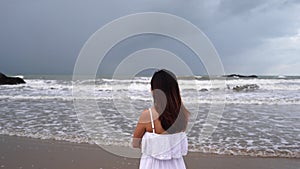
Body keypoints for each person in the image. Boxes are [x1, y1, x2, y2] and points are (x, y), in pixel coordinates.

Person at [132, 69, 190, 169]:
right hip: (176, 165)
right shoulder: (183, 114)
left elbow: (135, 143)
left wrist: (151, 147)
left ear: (154, 90)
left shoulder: (148, 115)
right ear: (175, 89)